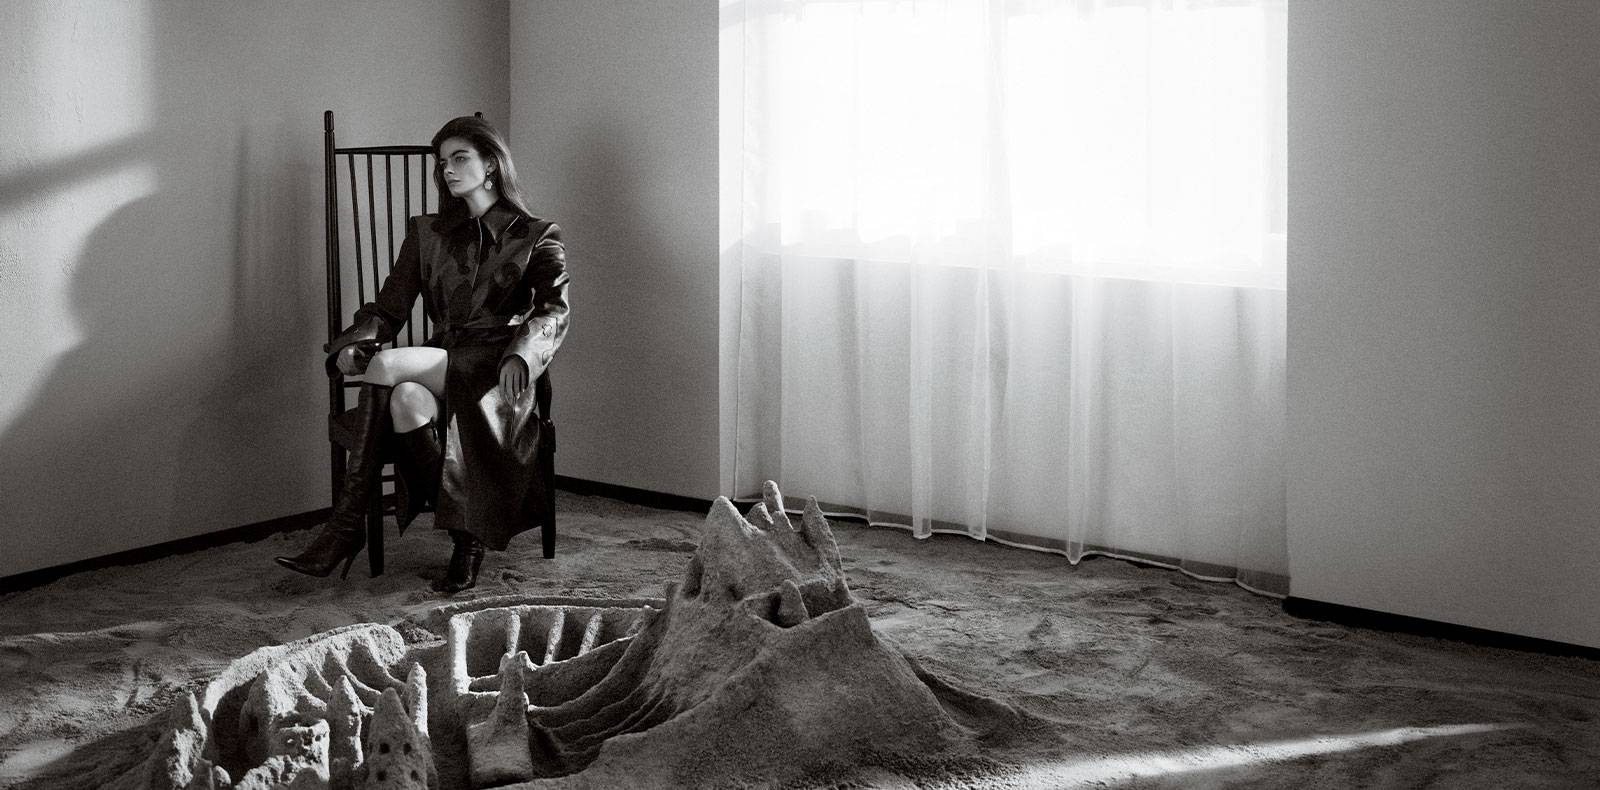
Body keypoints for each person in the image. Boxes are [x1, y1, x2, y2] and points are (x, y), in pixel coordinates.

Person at [275, 115, 569, 594]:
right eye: (442, 162)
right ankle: (466, 540)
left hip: (498, 370)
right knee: (404, 400)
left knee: (388, 366)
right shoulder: (427, 233)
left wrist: (523, 354)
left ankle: (344, 528)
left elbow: (554, 309)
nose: (447, 169)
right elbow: (389, 307)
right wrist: (356, 344)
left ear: (491, 164)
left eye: (460, 158)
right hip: (446, 360)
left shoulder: (537, 234)